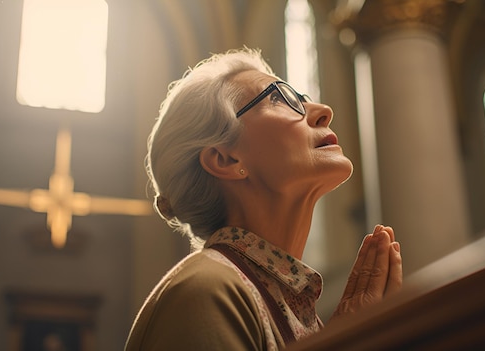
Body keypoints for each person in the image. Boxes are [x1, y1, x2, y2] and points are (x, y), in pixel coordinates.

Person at [125, 47, 402, 350]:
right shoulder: (208, 289)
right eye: (281, 98)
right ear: (226, 160)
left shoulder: (282, 302)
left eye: (305, 99)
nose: (324, 111)